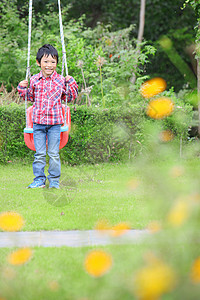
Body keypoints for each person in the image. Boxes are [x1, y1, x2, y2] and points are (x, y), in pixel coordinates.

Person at [17, 44, 78, 189]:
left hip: (55, 124)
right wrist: (21, 87)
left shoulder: (61, 80)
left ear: (56, 63)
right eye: (46, 61)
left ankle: (54, 181)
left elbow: (70, 97)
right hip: (38, 123)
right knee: (39, 154)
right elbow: (29, 97)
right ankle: (39, 180)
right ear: (39, 63)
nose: (49, 65)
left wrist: (72, 83)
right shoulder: (35, 79)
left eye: (53, 62)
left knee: (53, 154)